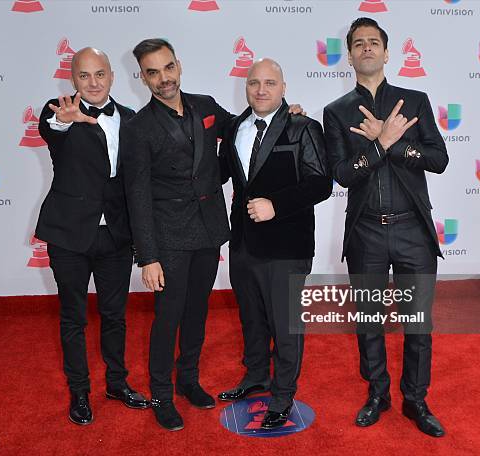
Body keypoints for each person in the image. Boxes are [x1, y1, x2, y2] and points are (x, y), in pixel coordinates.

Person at [323, 18, 449, 437]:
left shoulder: (415, 101)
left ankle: (415, 399)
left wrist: (398, 143)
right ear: (350, 54)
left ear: (386, 52)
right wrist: (380, 144)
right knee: (369, 319)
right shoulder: (336, 112)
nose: (366, 49)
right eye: (358, 44)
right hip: (366, 233)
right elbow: (341, 173)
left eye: (373, 42)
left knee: (418, 323)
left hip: (413, 229)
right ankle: (377, 394)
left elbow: (439, 159)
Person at [121, 39, 232, 432]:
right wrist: (147, 256)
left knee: (197, 311)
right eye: (153, 72)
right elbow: (137, 195)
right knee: (168, 317)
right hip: (167, 237)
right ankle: (161, 395)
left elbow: (242, 128)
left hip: (209, 230)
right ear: (142, 77)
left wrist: (287, 114)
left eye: (168, 68)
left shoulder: (206, 105)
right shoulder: (137, 128)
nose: (163, 79)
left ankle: (188, 380)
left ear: (178, 66)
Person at [36, 47, 150, 426]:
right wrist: (66, 121)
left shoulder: (132, 120)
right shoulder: (58, 110)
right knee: (73, 319)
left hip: (115, 235)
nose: (93, 82)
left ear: (112, 77)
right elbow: (50, 130)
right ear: (73, 80)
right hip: (69, 235)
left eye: (100, 74)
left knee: (116, 317)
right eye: (84, 76)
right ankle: (79, 391)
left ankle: (117, 383)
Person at [217, 58, 332, 429]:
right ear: (245, 87)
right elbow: (223, 173)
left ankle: (283, 395)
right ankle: (255, 377)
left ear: (283, 88)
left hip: (287, 246)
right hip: (243, 244)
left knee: (286, 327)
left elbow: (321, 183)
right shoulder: (235, 127)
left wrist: (276, 205)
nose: (261, 90)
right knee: (251, 319)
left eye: (269, 83)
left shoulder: (304, 128)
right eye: (254, 83)